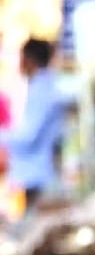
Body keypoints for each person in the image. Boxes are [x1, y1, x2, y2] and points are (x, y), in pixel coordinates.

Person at [0, 38, 66, 211]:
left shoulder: (41, 90)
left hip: (39, 174)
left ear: (29, 60)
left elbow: (27, 136)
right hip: (38, 172)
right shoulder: (43, 86)